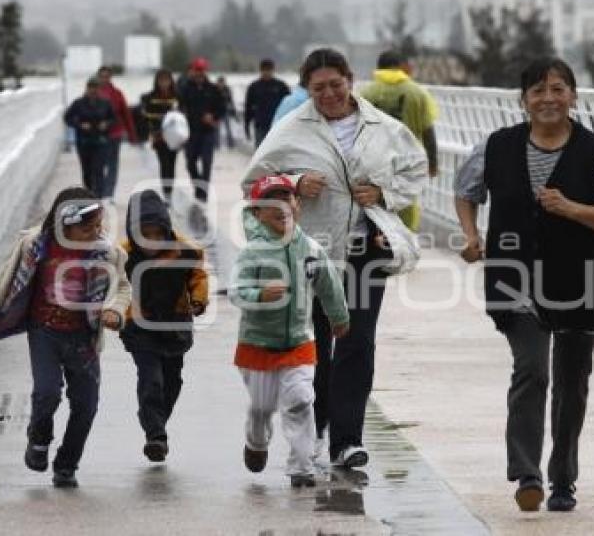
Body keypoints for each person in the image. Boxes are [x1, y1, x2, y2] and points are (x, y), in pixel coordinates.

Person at [454, 57, 594, 513]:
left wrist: (571, 208)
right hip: (515, 280)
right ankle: (527, 474)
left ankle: (563, 480)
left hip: (582, 279)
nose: (548, 98)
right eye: (538, 91)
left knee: (572, 383)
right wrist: (472, 236)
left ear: (573, 96)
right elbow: (466, 190)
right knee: (532, 369)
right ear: (524, 100)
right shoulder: (497, 146)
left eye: (558, 89)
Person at [242, 48, 427, 469]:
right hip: (315, 254)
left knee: (357, 342)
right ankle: (318, 423)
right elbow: (253, 181)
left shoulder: (383, 126)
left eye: (336, 84)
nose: (328, 94)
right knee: (319, 344)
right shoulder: (291, 129)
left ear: (351, 80)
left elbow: (416, 169)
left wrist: (383, 193)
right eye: (318, 87)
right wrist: (293, 180)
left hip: (366, 251)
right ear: (307, 89)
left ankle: (348, 440)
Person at [0, 187, 130, 488]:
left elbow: (123, 288)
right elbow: (6, 280)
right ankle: (39, 438)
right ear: (65, 224)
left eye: (98, 225)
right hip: (44, 332)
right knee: (47, 391)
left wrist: (115, 311)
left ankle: (67, 464)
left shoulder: (106, 254)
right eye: (87, 227)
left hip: (83, 337)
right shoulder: (34, 247)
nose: (95, 232)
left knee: (86, 404)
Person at [229, 174, 349, 488]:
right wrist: (258, 295)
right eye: (272, 201)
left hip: (299, 342)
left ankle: (301, 466)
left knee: (299, 400)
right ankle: (256, 443)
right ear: (257, 212)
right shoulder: (252, 252)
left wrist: (339, 316)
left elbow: (330, 285)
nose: (282, 205)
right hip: (258, 344)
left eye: (288, 198)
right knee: (261, 408)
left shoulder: (310, 247)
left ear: (297, 205)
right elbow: (236, 291)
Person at [119, 189, 208, 462]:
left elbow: (197, 276)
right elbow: (112, 285)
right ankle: (156, 435)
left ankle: (153, 419)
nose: (152, 241)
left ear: (166, 229)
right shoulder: (122, 255)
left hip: (175, 325)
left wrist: (198, 299)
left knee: (172, 381)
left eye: (157, 233)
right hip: (139, 325)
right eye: (144, 234)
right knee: (151, 380)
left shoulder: (186, 250)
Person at [361, 49, 439, 232]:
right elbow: (428, 131)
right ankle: (404, 248)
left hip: (373, 163)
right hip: (407, 164)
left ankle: (378, 250)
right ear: (402, 66)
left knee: (374, 209)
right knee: (405, 208)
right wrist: (432, 163)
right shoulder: (417, 93)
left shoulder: (365, 93)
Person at [177, 57, 226, 202]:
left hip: (207, 132)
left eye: (201, 70)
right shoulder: (185, 89)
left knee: (206, 161)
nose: (199, 73)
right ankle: (197, 184)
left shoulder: (213, 89)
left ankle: (203, 191)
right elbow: (179, 107)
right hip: (191, 132)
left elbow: (222, 108)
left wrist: (214, 117)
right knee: (190, 162)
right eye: (197, 70)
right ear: (193, 71)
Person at [64, 77, 115, 197]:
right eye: (91, 87)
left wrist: (106, 124)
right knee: (87, 171)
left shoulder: (105, 103)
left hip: (101, 141)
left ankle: (99, 197)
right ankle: (88, 194)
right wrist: (80, 125)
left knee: (98, 169)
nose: (93, 90)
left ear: (99, 89)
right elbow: (67, 118)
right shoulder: (78, 103)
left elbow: (114, 119)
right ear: (87, 88)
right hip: (84, 142)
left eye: (95, 87)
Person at [97, 66, 137, 203]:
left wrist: (131, 134)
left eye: (106, 76)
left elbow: (126, 114)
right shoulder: (94, 93)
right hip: (98, 136)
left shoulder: (117, 94)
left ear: (110, 77)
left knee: (113, 164)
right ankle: (100, 191)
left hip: (115, 134)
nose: (104, 79)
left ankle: (109, 194)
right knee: (99, 164)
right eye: (101, 76)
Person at [140, 69, 180, 203]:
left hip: (174, 137)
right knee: (164, 164)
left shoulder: (176, 96)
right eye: (161, 80)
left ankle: (170, 190)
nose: (164, 83)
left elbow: (181, 117)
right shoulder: (150, 98)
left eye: (166, 80)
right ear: (157, 82)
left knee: (172, 164)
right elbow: (147, 119)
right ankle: (166, 193)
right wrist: (155, 133)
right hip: (159, 138)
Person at [244, 59, 290, 147]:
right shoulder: (254, 87)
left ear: (273, 70)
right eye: (264, 70)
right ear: (261, 70)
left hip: (277, 124)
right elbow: (248, 107)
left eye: (269, 70)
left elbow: (288, 104)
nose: (266, 73)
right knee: (260, 151)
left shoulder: (280, 86)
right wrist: (246, 125)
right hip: (260, 125)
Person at [215, 75, 237, 149]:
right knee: (216, 129)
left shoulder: (227, 90)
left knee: (228, 128)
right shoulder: (215, 90)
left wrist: (233, 111)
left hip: (225, 111)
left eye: (222, 83)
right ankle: (216, 144)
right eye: (220, 83)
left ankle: (231, 144)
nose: (221, 84)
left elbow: (230, 100)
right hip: (217, 112)